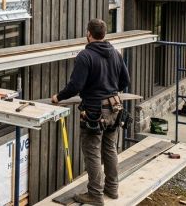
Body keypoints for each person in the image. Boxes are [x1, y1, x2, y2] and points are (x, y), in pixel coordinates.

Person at [51, 18, 130, 206]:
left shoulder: (85, 56)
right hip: (114, 108)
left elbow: (75, 86)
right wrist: (110, 89)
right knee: (110, 149)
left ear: (88, 34)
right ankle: (112, 189)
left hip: (95, 111)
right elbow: (124, 81)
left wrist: (58, 97)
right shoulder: (115, 53)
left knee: (93, 152)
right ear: (104, 34)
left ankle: (95, 194)